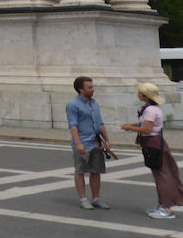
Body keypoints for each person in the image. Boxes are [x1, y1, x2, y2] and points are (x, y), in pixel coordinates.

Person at [120, 82, 183, 220]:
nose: (138, 94)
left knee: (161, 177)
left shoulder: (150, 110)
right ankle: (162, 205)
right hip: (154, 143)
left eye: (140, 92)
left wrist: (130, 128)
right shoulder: (153, 108)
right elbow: (146, 125)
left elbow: (147, 129)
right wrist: (132, 125)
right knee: (160, 175)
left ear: (146, 95)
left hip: (153, 143)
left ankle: (166, 208)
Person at [66, 75, 110, 210]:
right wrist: (78, 143)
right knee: (80, 170)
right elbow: (73, 125)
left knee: (96, 171)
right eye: (89, 87)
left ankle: (96, 198)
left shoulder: (95, 103)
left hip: (96, 141)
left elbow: (100, 122)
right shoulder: (73, 105)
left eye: (92, 86)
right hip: (83, 141)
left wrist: (107, 139)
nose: (92, 89)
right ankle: (83, 199)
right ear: (80, 89)